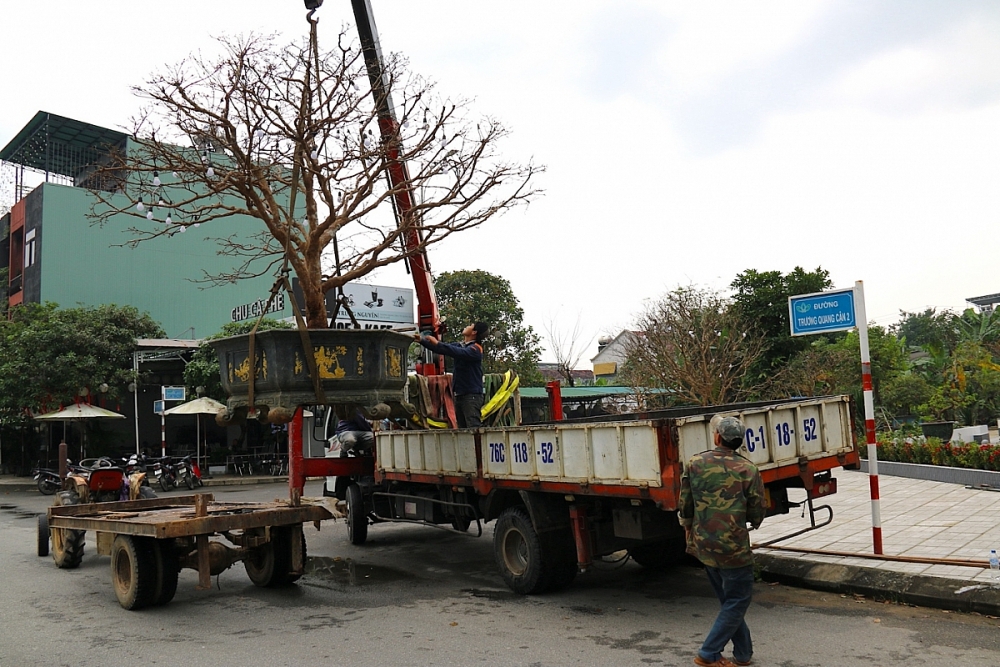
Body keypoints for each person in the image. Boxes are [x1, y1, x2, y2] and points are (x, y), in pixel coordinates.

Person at [678, 416, 765, 667]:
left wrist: (687, 529)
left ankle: (743, 653)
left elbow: (685, 504)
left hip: (704, 544)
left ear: (717, 437)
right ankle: (709, 653)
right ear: (739, 441)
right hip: (733, 548)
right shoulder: (748, 469)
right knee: (737, 601)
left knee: (731, 602)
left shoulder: (695, 463)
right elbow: (757, 511)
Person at [415, 322, 488, 428]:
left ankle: (479, 445)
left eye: (470, 325)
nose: (467, 325)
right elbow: (442, 349)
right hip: (460, 394)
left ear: (474, 332)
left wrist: (438, 343)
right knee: (462, 428)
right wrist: (421, 341)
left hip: (472, 395)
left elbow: (457, 352)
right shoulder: (461, 346)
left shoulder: (476, 349)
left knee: (473, 426)